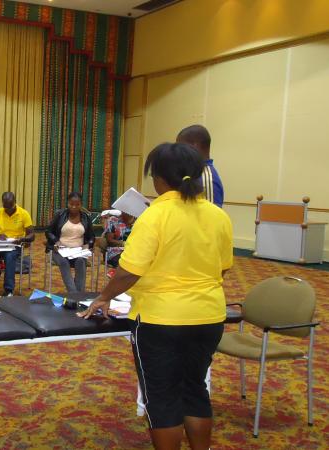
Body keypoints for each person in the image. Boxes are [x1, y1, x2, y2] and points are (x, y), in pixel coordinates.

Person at [79, 143, 233, 450]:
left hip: (161, 322)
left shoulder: (154, 215)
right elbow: (224, 268)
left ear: (159, 179)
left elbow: (129, 271)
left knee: (162, 398)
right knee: (195, 390)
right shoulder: (218, 216)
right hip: (210, 317)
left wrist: (103, 297)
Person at [0, 192, 35, 297]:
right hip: (0, 244)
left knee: (9, 256)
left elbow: (32, 235)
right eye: (5, 207)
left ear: (15, 202)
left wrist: (23, 239)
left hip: (15, 245)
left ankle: (9, 289)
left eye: (10, 206)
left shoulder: (23, 214)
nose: (8, 210)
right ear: (2, 204)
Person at [44, 192, 95, 293]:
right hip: (59, 250)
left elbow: (91, 236)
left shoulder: (85, 217)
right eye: (71, 204)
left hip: (78, 251)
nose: (74, 207)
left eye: (77, 205)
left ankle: (77, 294)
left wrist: (88, 244)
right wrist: (56, 241)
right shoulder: (60, 215)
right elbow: (48, 231)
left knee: (81, 262)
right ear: (67, 204)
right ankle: (75, 294)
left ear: (81, 204)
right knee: (64, 263)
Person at [177, 124, 224, 207]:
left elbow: (210, 216)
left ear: (195, 146)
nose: (178, 152)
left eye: (181, 147)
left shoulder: (207, 178)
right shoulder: (194, 173)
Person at [104, 210, 135, 278]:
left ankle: (115, 272)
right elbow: (109, 240)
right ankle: (117, 276)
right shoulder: (113, 220)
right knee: (126, 260)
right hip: (115, 252)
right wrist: (124, 243)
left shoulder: (138, 222)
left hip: (133, 251)